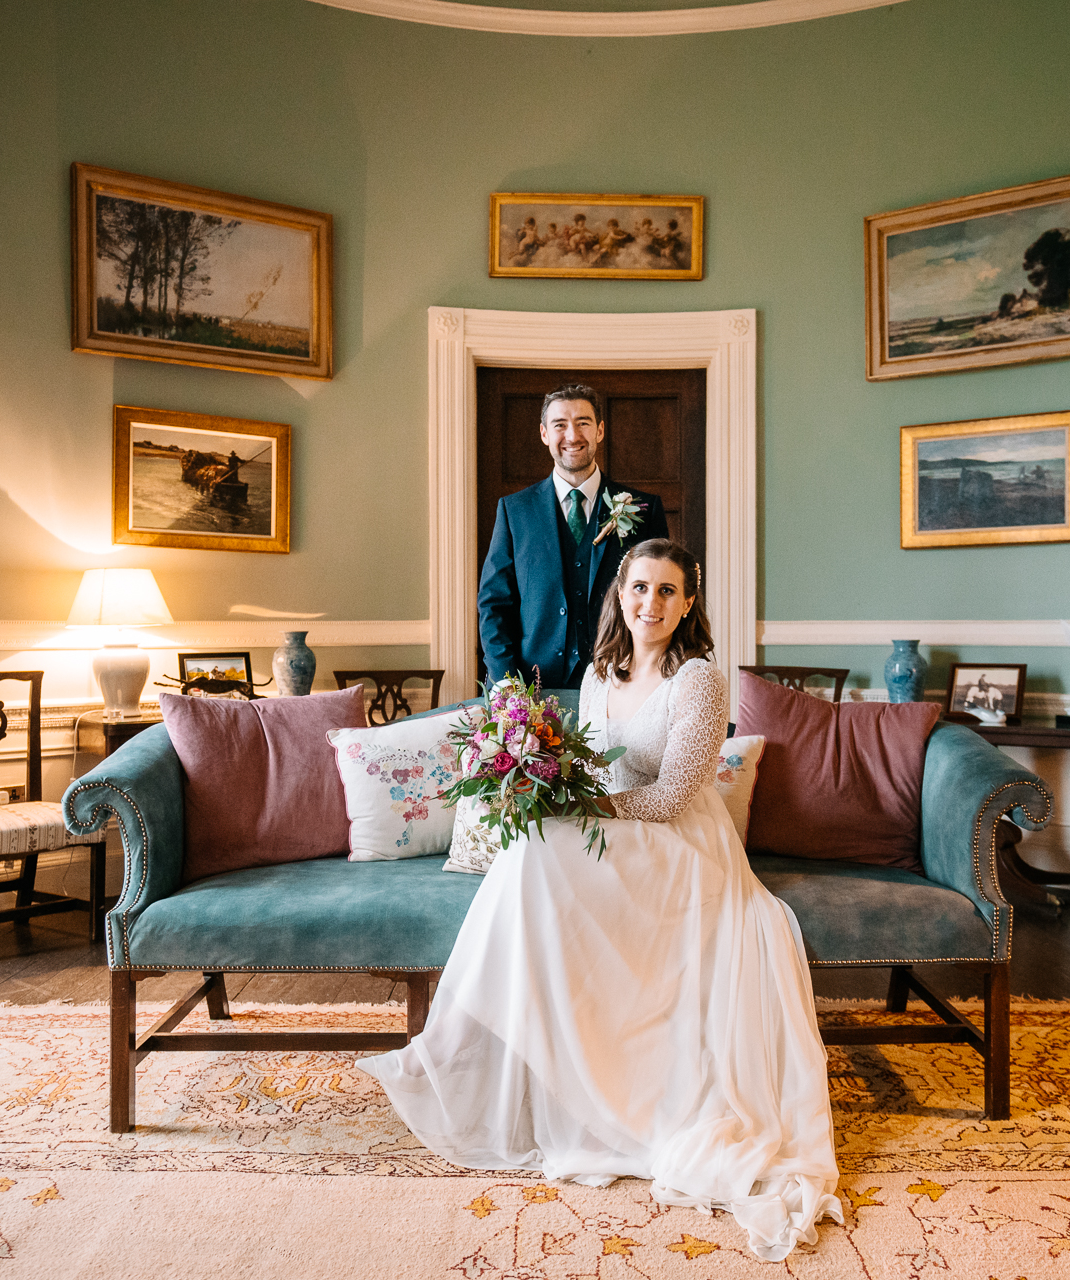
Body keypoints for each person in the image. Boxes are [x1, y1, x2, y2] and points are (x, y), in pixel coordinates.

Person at [361, 540, 842, 1262]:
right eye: (639, 588)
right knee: (529, 847)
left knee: (539, 850)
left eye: (667, 592)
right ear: (620, 594)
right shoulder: (596, 674)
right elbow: (589, 765)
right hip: (619, 831)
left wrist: (577, 809)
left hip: (683, 846)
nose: (650, 604)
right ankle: (496, 1054)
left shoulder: (701, 680)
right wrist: (547, 793)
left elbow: (675, 795)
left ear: (688, 604)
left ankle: (490, 1042)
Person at [477, 384, 668, 689]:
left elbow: (661, 601)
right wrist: (505, 682)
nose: (572, 435)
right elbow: (494, 604)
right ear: (544, 434)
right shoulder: (515, 511)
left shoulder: (643, 509)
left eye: (583, 423)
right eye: (560, 425)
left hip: (622, 685)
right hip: (532, 691)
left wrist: (653, 677)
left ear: (600, 430)